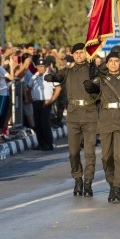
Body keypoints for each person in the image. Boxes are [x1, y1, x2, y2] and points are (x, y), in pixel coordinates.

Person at [83, 51, 120, 204]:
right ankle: (111, 181)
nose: (114, 64)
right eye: (111, 61)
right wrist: (90, 86)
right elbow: (92, 92)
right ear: (107, 64)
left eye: (117, 61)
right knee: (107, 157)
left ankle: (116, 188)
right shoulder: (101, 81)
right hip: (107, 119)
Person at [47, 43, 98, 197]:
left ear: (86, 54)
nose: (78, 55)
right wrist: (52, 77)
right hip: (74, 115)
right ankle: (78, 178)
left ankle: (88, 182)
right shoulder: (68, 71)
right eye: (75, 53)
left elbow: (99, 85)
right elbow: (59, 76)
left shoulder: (92, 70)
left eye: (81, 52)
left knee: (90, 152)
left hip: (90, 114)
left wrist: (94, 82)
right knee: (73, 152)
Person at [28, 57, 61, 151]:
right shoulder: (34, 76)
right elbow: (28, 88)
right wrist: (29, 98)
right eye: (39, 66)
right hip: (36, 102)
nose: (41, 68)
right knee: (37, 124)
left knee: (45, 123)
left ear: (46, 67)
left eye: (43, 66)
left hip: (46, 102)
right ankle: (41, 143)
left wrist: (51, 100)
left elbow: (58, 89)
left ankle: (48, 143)